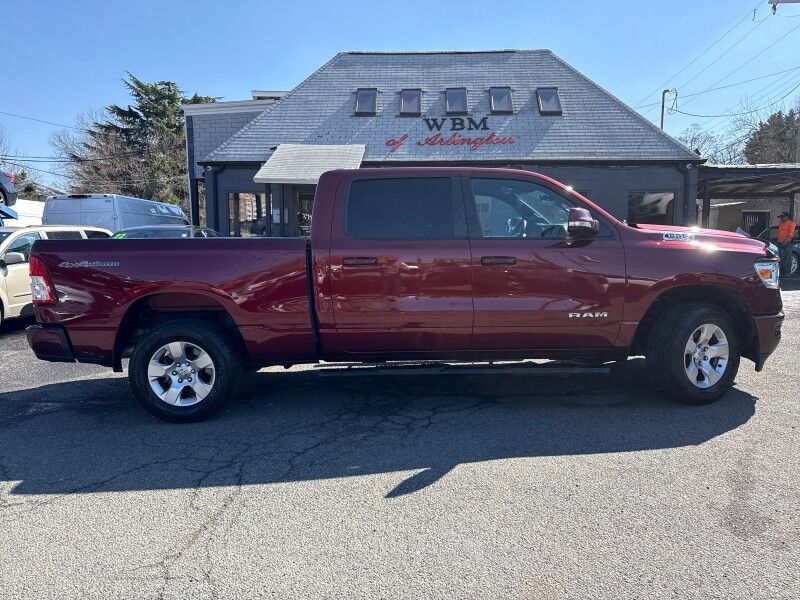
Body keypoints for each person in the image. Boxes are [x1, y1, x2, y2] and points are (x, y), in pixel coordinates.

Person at [776, 211, 796, 277]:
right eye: (780, 217)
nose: (780, 219)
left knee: (788, 258)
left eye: (782, 217)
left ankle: (787, 274)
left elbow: (790, 234)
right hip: (779, 243)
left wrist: (785, 242)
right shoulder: (781, 223)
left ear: (786, 217)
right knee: (779, 259)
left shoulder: (791, 223)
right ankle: (780, 273)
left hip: (786, 243)